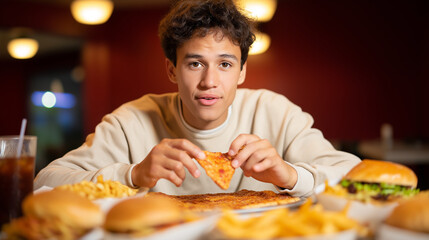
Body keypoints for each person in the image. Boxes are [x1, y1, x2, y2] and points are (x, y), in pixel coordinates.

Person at [34, 0, 360, 197]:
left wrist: (289, 175)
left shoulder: (276, 112)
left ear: (242, 72)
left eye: (225, 64)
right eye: (195, 64)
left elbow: (356, 177)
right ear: (172, 70)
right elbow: (44, 183)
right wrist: (132, 174)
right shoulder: (130, 121)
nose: (209, 82)